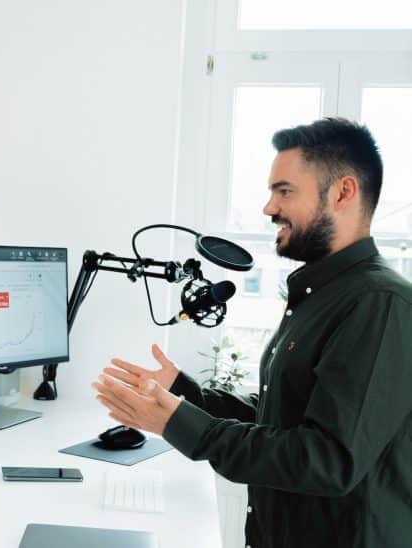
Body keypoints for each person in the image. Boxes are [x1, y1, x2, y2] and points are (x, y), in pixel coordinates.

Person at [93, 118, 412, 548]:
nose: (268, 208)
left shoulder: (380, 304)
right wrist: (184, 393)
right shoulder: (319, 294)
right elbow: (282, 413)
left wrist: (181, 424)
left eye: (284, 191)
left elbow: (328, 459)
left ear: (343, 193)